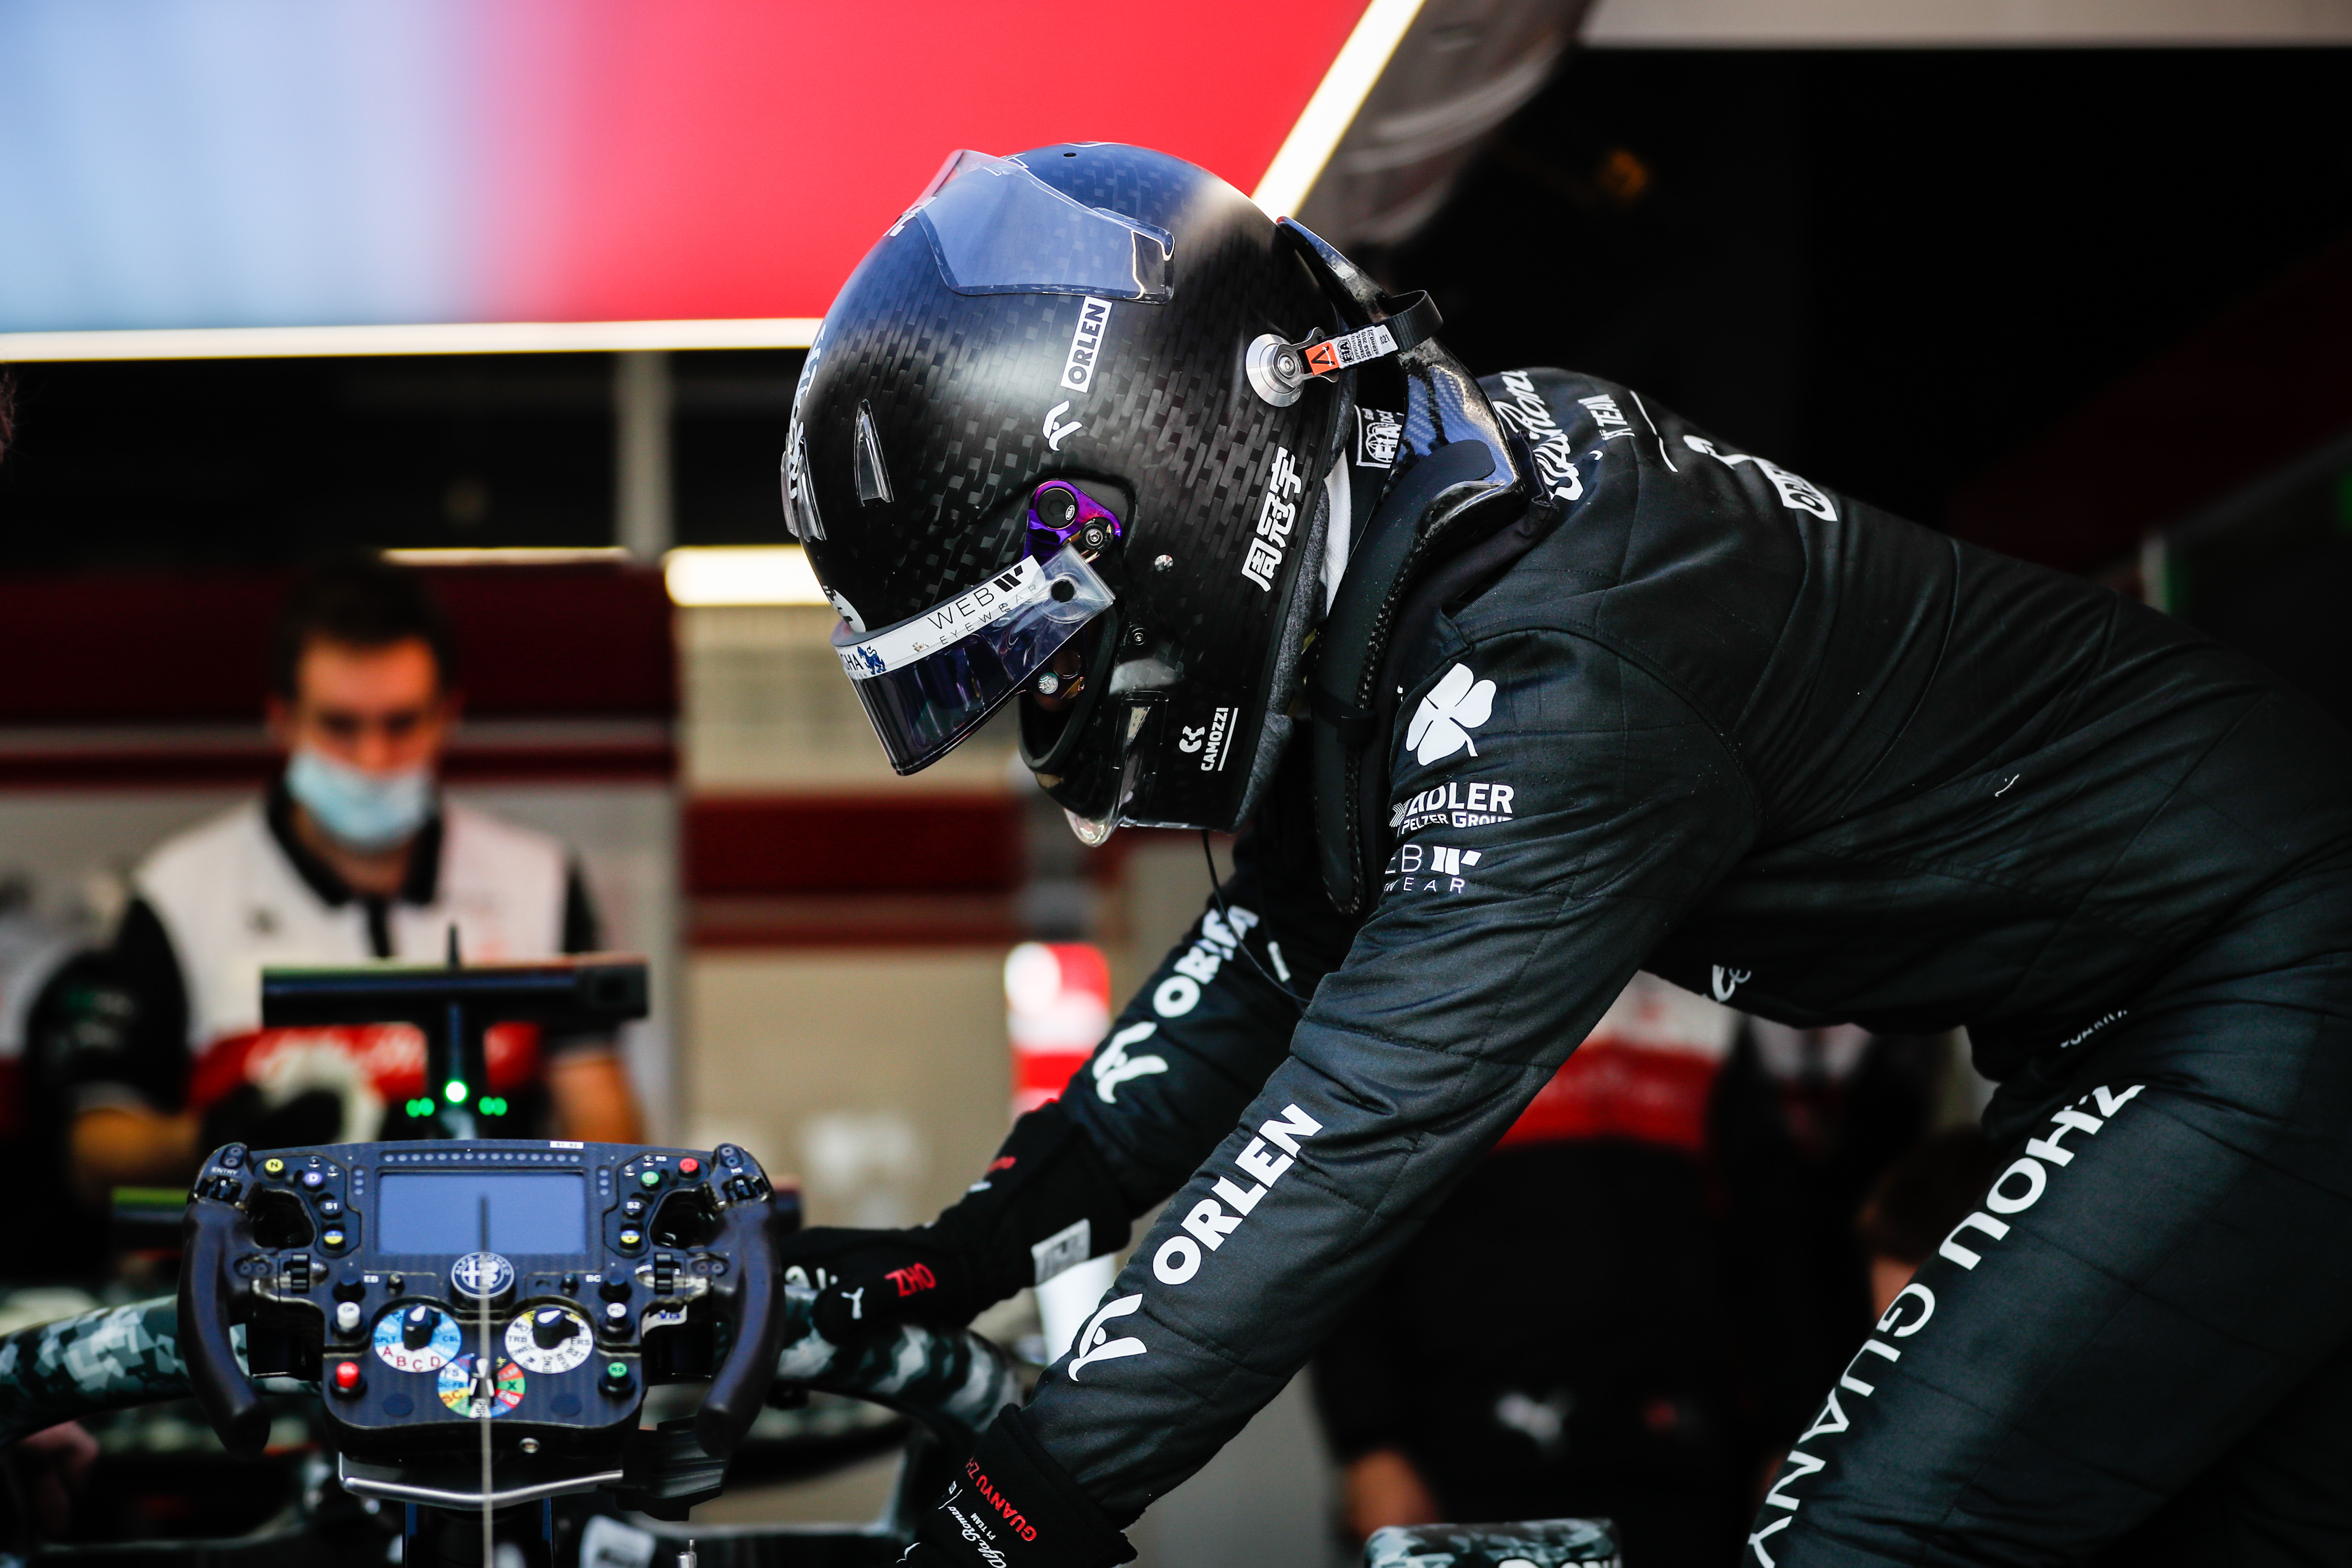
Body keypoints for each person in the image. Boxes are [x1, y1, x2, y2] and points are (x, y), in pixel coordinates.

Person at [770, 143, 2352, 1568]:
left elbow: (1345, 1140)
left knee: (1862, 1539)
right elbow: (1256, 970)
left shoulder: (1557, 670)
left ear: (1175, 485)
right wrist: (946, 1262)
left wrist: (1013, 1508)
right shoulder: (1430, 539)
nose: (1060, 710)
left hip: (2258, 978)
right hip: (2171, 994)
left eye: (1054, 659)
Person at [66, 557, 639, 1204]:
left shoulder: (539, 880)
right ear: (282, 720)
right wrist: (214, 1138)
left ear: (448, 715)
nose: (373, 758)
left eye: (401, 723)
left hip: (490, 1250)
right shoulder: (180, 892)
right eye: (341, 726)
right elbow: (95, 1150)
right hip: (264, 1257)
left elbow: (604, 1125)